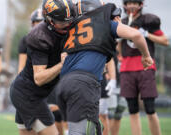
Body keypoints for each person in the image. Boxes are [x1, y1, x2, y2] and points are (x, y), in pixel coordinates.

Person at [54, 0, 154, 135]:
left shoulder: (72, 28)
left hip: (64, 84)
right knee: (80, 132)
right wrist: (146, 56)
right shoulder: (104, 24)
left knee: (90, 128)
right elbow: (136, 35)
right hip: (83, 84)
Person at [10, 0, 76, 135]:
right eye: (62, 22)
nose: (67, 25)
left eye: (69, 20)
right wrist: (62, 64)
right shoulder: (40, 37)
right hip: (28, 95)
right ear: (50, 20)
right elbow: (39, 78)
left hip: (29, 93)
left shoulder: (66, 24)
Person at [117, 0, 169, 135]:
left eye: (135, 2)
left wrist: (146, 34)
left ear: (141, 4)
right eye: (129, 3)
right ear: (125, 5)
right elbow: (119, 46)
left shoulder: (148, 21)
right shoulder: (122, 22)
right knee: (132, 110)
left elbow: (165, 41)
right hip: (127, 69)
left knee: (150, 109)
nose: (132, 5)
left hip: (145, 67)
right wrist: (119, 53)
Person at [106, 56, 127, 135]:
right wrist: (105, 73)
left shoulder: (126, 49)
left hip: (124, 85)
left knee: (119, 114)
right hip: (111, 84)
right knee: (110, 114)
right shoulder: (110, 46)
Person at [18, 9, 44, 73]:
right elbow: (21, 66)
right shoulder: (25, 40)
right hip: (31, 75)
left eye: (42, 21)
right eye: (38, 21)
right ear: (32, 23)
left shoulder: (53, 38)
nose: (40, 24)